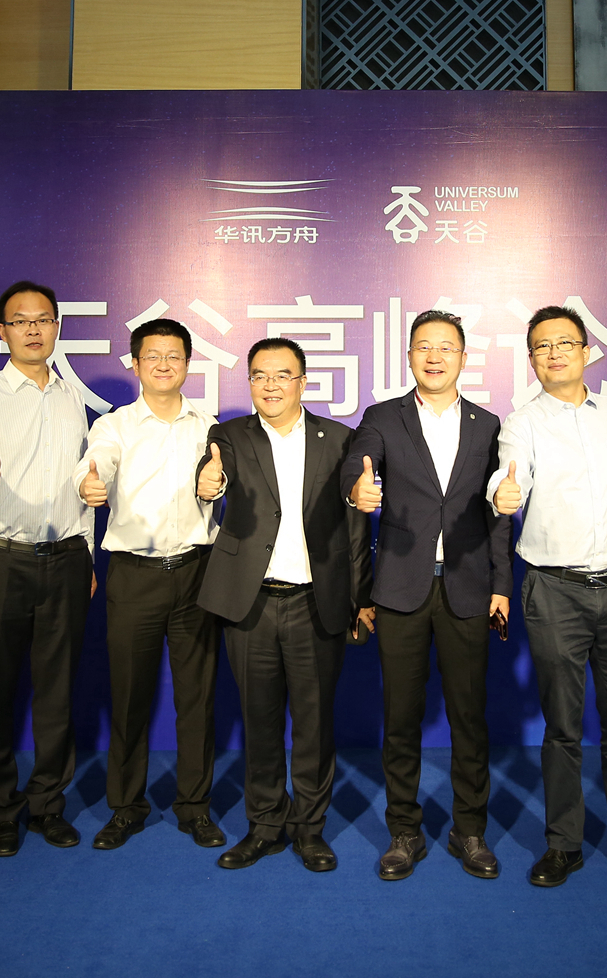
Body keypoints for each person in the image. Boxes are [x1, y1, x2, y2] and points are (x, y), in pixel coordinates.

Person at [491, 305, 607, 888]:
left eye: (565, 343)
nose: (554, 354)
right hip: (555, 591)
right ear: (531, 359)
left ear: (587, 351)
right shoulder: (522, 422)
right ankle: (563, 845)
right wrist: (504, 494)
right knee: (562, 727)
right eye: (542, 346)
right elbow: (508, 476)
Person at [340, 309, 513, 881]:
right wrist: (357, 487)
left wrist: (501, 585)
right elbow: (358, 463)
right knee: (400, 717)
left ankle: (470, 830)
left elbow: (497, 511)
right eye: (423, 346)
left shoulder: (489, 425)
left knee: (469, 717)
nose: (434, 357)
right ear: (409, 355)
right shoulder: (382, 417)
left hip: (469, 587)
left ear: (463, 357)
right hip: (399, 588)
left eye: (445, 347)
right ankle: (404, 832)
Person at [195, 338, 369, 872]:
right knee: (260, 721)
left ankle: (309, 829)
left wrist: (359, 599)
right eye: (259, 376)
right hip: (251, 604)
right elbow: (212, 476)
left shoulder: (338, 439)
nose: (269, 386)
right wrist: (209, 483)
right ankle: (265, 825)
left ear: (303, 382)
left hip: (316, 602)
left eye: (281, 375)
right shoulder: (228, 436)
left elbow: (355, 528)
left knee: (314, 725)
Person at [0, 280, 95, 858]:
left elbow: (83, 482)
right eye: (20, 320)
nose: (33, 329)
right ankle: (2, 809)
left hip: (65, 559)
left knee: (57, 693)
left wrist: (85, 551)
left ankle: (47, 805)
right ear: (3, 331)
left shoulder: (71, 398)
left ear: (57, 327)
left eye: (43, 319)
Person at [73, 318, 225, 852]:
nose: (164, 365)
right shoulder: (114, 426)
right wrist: (89, 484)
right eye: (153, 356)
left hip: (196, 572)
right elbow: (95, 466)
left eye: (174, 356)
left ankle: (195, 807)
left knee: (197, 699)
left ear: (188, 363)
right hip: (134, 575)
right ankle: (126, 807)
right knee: (130, 696)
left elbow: (224, 481)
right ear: (135, 364)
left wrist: (218, 483)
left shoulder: (209, 427)